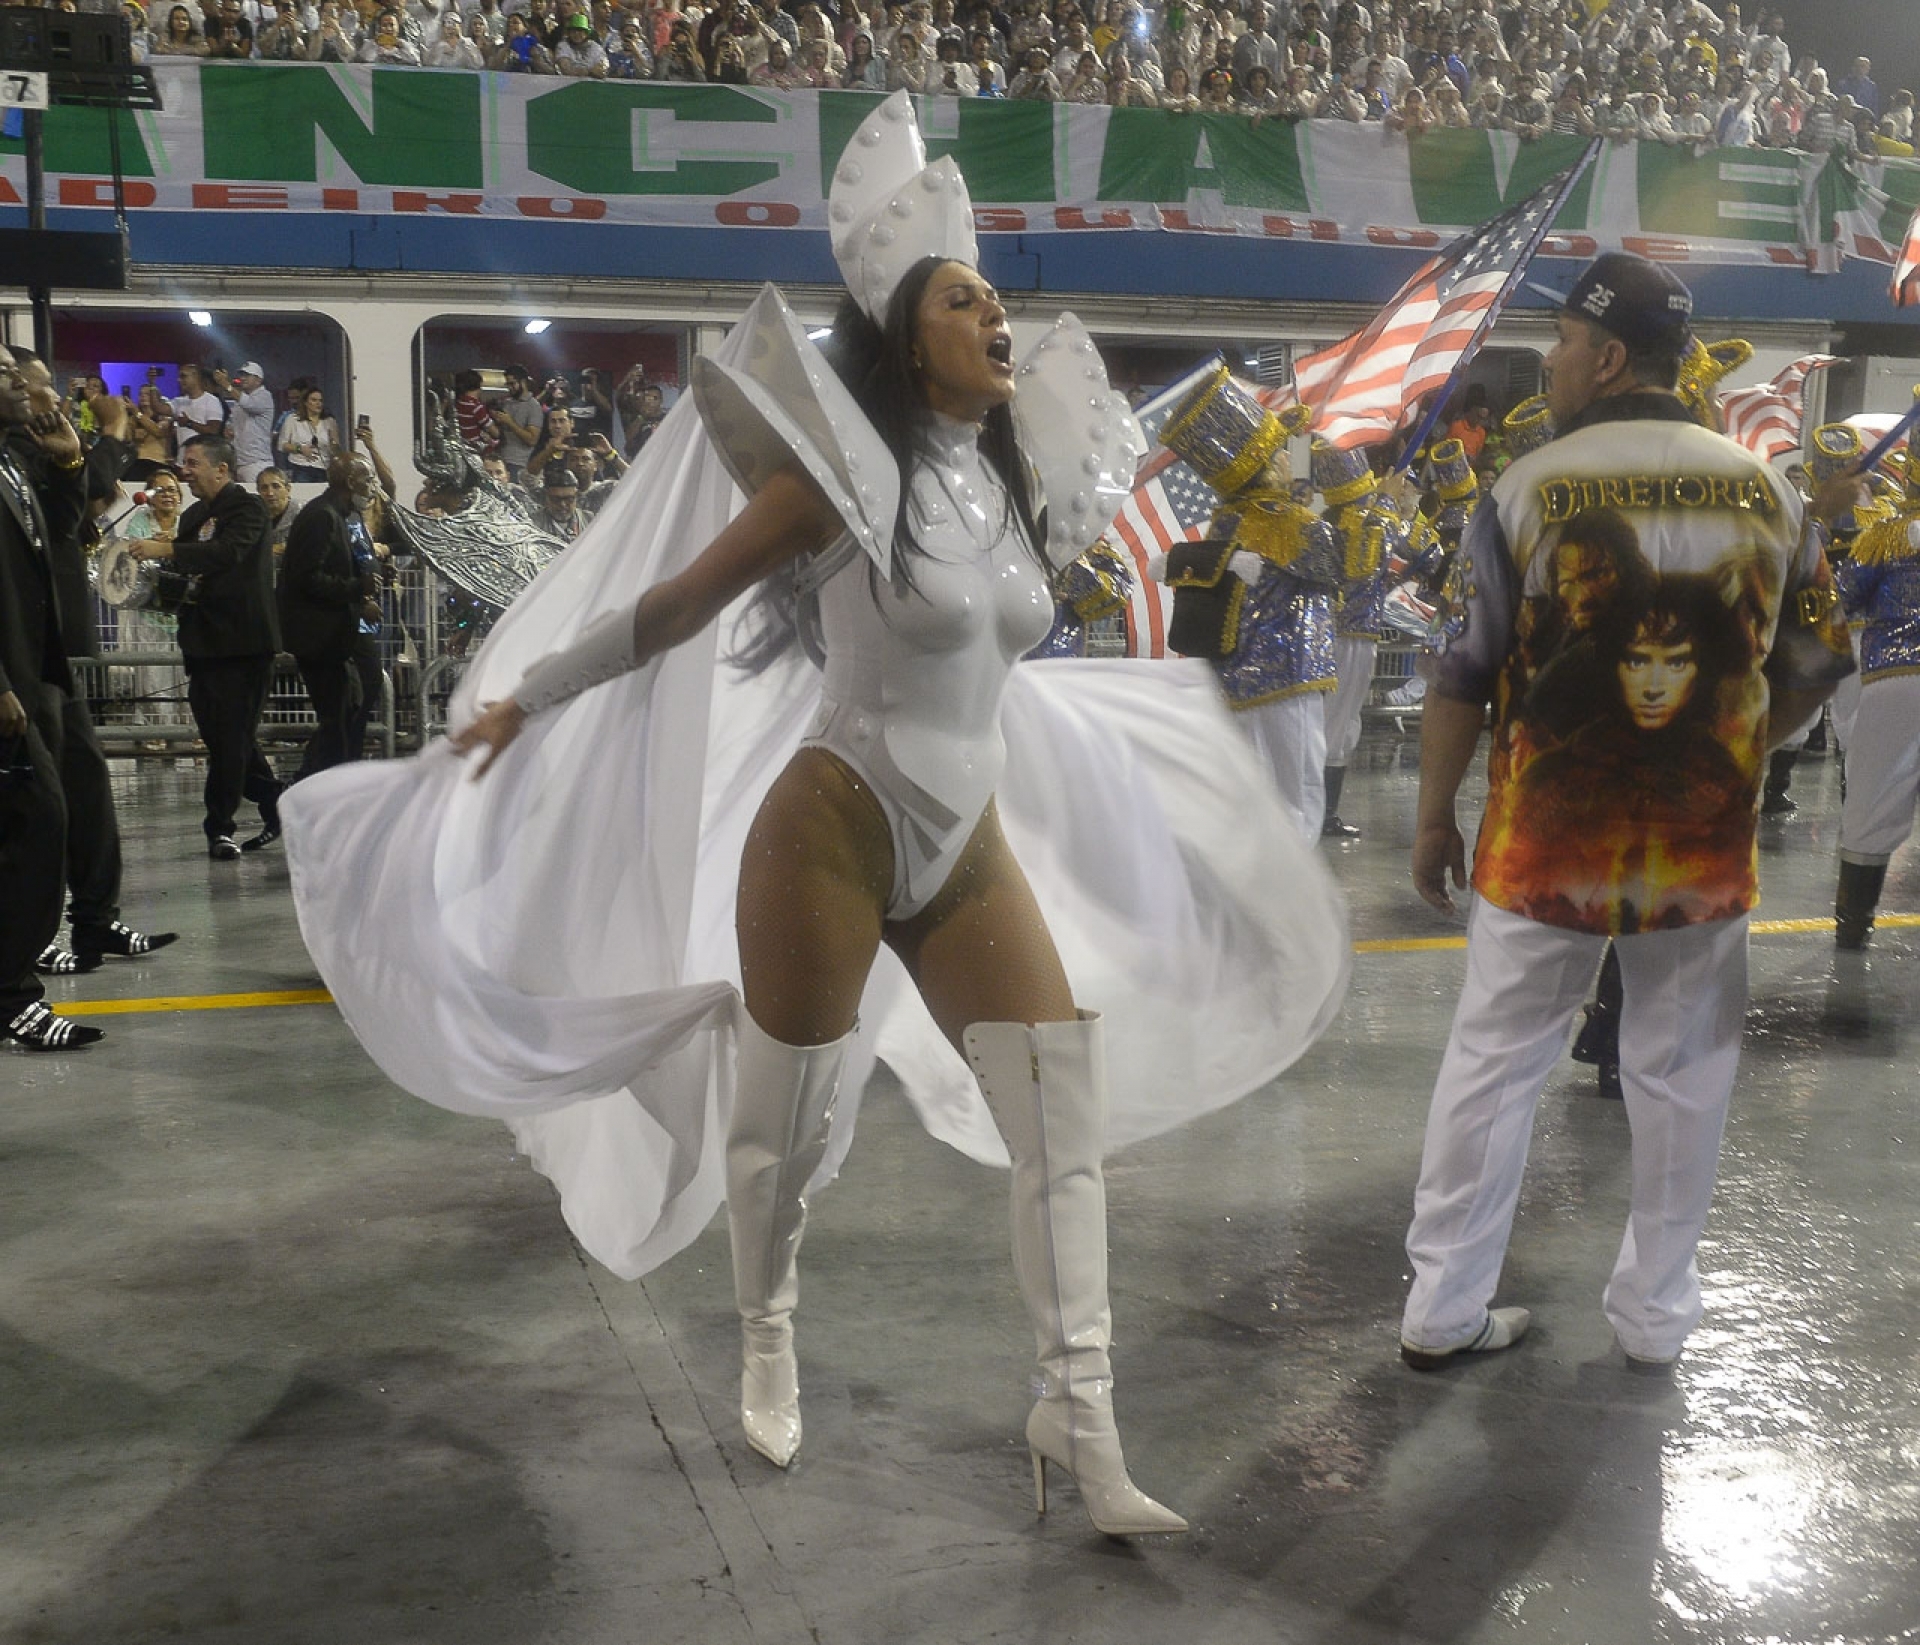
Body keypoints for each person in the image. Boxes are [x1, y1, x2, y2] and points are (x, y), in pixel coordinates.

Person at [282, 93, 1347, 1536]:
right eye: (964, 301)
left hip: (963, 840)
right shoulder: (844, 484)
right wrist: (527, 699)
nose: (996, 317)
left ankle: (1080, 1418)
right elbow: (675, 606)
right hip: (833, 824)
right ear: (905, 336)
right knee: (784, 1124)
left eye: (995, 301)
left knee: (1060, 1114)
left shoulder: (1016, 492)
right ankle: (767, 1332)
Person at [1399, 252, 1860, 1376]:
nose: (1551, 361)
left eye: (1561, 342)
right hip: (1699, 845)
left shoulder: (1528, 487)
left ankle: (1443, 1308)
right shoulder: (1768, 490)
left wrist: (1433, 816)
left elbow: (1461, 672)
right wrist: (1737, 743)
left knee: (1495, 1061)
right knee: (1682, 1072)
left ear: (1607, 358)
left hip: (1543, 838)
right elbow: (1815, 664)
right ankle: (1654, 1318)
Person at [0, 343, 108, 1050]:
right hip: (7, 682)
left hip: (32, 672)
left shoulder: (14, 460)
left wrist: (70, 463)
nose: (18, 382)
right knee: (41, 821)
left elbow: (62, 534)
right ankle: (14, 992)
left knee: (37, 822)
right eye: (3, 373)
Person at [129, 435, 285, 859]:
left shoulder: (249, 509)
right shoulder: (196, 514)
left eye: (194, 463)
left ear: (222, 469)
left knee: (232, 739)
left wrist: (165, 547)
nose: (186, 471)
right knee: (223, 739)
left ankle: (220, 828)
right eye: (185, 462)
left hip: (244, 644)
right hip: (203, 643)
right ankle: (278, 800)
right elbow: (185, 565)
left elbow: (225, 552)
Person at [1829, 424, 1920, 949]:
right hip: (1892, 680)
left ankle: (1853, 923)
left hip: (1893, 680)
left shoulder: (1884, 535)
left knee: (1871, 800)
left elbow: (1841, 598)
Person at [279, 452, 386, 783]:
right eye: (368, 479)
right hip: (319, 638)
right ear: (350, 481)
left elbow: (340, 566)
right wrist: (358, 588)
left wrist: (371, 579)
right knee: (337, 718)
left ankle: (332, 780)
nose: (373, 486)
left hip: (338, 632)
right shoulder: (321, 517)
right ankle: (315, 783)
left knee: (349, 710)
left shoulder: (343, 515)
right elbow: (306, 577)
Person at [212, 361, 276, 484]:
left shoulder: (264, 396)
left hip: (257, 462)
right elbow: (232, 422)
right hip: (240, 461)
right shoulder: (239, 399)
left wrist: (226, 384)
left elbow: (249, 404)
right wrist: (229, 429)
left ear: (258, 380)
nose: (242, 378)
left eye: (247, 375)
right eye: (241, 374)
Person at [276, 385, 339, 482]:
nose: (318, 403)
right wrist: (300, 449)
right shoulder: (293, 419)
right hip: (300, 466)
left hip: (323, 468)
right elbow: (282, 445)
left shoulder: (329, 421)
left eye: (320, 400)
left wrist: (333, 444)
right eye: (314, 400)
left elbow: (336, 448)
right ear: (305, 402)